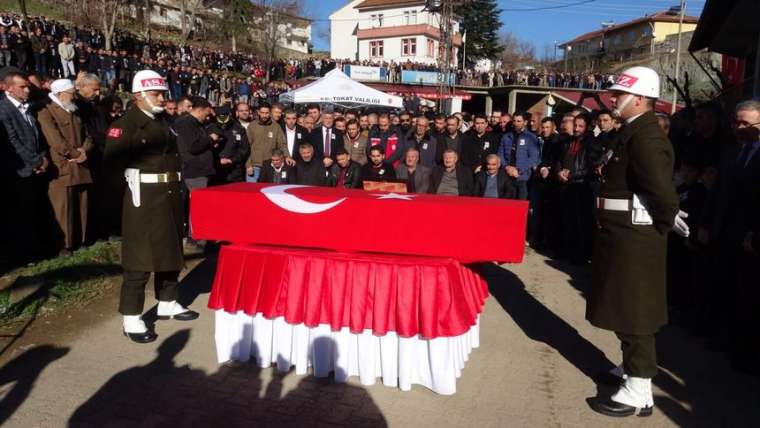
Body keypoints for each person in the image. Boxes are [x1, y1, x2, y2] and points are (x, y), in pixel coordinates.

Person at [588, 66, 684, 417]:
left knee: (635, 311)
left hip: (635, 238)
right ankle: (630, 367)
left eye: (619, 94)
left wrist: (663, 221)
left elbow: (661, 191)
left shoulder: (646, 137)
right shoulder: (631, 132)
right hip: (621, 234)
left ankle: (639, 386)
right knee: (622, 306)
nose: (613, 98)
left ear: (639, 99)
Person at [103, 70, 199, 344]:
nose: (161, 98)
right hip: (142, 198)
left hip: (168, 195)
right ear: (139, 95)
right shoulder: (125, 125)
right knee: (139, 257)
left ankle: (168, 301)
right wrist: (120, 206)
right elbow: (111, 169)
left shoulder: (163, 122)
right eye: (156, 93)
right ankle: (131, 316)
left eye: (162, 93)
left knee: (170, 249)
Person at [37, 79, 93, 255]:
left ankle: (81, 239)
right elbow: (55, 141)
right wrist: (76, 154)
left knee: (82, 204)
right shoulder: (46, 112)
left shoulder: (74, 110)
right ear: (60, 94)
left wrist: (85, 150)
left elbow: (88, 134)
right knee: (63, 206)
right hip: (63, 166)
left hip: (81, 165)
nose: (74, 97)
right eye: (71, 93)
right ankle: (65, 244)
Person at [0, 71, 50, 266]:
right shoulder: (3, 109)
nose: (27, 89)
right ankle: (21, 255)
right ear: (9, 88)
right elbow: (12, 141)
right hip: (18, 171)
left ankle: (34, 249)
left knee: (33, 210)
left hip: (35, 167)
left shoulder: (26, 108)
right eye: (22, 87)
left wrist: (43, 157)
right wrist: (35, 161)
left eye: (28, 86)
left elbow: (35, 135)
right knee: (19, 214)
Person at [499, 111, 540, 200]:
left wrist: (519, 170)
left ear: (525, 122)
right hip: (507, 176)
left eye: (519, 121)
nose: (516, 123)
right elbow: (500, 154)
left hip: (522, 177)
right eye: (514, 121)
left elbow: (533, 157)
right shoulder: (506, 137)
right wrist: (506, 167)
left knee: (521, 205)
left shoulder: (531, 137)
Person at [245, 102, 289, 182]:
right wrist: (248, 165)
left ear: (270, 113)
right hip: (255, 166)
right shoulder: (252, 126)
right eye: (262, 113)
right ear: (258, 112)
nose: (264, 115)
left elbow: (282, 144)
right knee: (252, 192)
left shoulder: (276, 126)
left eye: (267, 113)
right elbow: (246, 147)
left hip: (270, 167)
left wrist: (287, 156)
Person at [209, 105, 250, 184]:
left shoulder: (239, 129)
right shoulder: (210, 129)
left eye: (225, 116)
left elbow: (244, 149)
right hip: (216, 170)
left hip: (234, 170)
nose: (223, 119)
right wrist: (217, 161)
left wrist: (232, 160)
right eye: (220, 117)